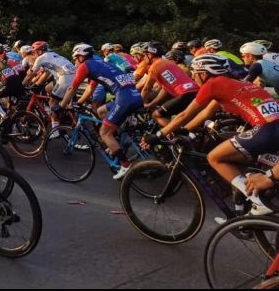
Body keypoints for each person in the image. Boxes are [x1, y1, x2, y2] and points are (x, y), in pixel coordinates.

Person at [146, 54, 279, 216]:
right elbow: (206, 112)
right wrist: (185, 130)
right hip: (271, 127)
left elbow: (184, 115)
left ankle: (257, 201)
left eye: (195, 73)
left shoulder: (213, 84)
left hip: (267, 128)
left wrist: (158, 134)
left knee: (214, 157)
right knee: (237, 157)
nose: (194, 77)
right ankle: (241, 211)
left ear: (204, 73)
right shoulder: (236, 82)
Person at [59, 43, 144, 179]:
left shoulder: (85, 66)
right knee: (101, 111)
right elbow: (90, 89)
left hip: (124, 99)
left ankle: (125, 164)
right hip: (134, 96)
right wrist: (79, 102)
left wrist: (61, 105)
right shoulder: (100, 64)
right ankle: (118, 141)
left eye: (75, 58)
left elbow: (72, 88)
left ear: (81, 57)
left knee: (104, 132)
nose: (75, 61)